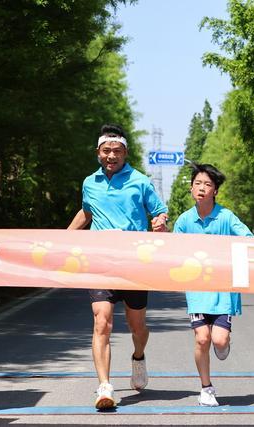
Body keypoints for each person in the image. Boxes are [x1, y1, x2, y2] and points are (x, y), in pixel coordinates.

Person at [67, 124, 169, 409]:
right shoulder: (90, 182)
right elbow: (87, 212)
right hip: (100, 262)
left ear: (125, 153)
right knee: (102, 321)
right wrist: (63, 240)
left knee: (138, 327)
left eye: (117, 151)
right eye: (106, 151)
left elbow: (159, 213)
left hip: (135, 263)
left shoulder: (140, 181)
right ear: (98, 153)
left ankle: (138, 356)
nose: (111, 156)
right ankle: (104, 386)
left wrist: (160, 222)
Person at [173, 163, 253, 407]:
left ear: (215, 191)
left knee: (218, 340)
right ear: (191, 189)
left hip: (223, 291)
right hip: (197, 290)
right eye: (198, 183)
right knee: (202, 339)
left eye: (208, 184)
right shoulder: (185, 221)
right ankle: (206, 388)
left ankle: (225, 343)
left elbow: (247, 238)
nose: (202, 188)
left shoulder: (226, 217)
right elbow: (172, 251)